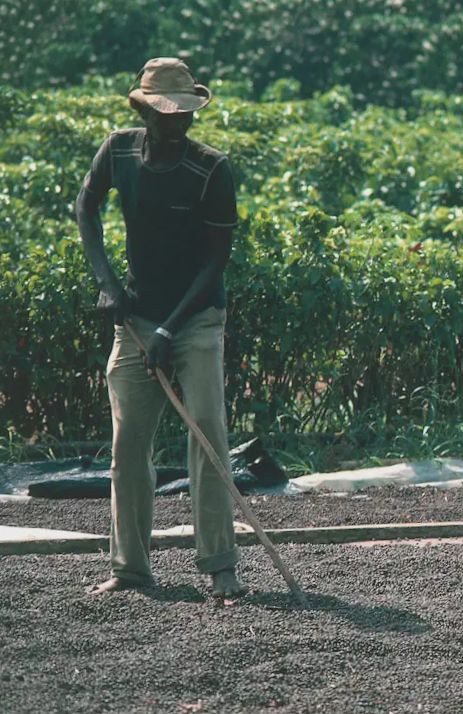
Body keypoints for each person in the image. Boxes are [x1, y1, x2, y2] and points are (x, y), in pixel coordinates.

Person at [76, 57, 245, 597]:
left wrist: (171, 331)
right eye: (166, 116)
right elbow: (86, 208)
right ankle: (130, 568)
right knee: (129, 442)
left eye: (185, 116)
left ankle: (220, 565)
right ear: (146, 113)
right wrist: (108, 285)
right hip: (137, 317)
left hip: (195, 320)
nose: (177, 125)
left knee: (207, 432)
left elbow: (214, 262)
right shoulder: (119, 149)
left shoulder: (211, 170)